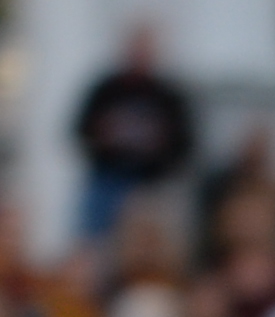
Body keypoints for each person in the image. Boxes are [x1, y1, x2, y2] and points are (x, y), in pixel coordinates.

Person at [69, 21, 200, 252]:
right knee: (92, 245)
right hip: (106, 180)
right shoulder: (106, 89)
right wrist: (103, 144)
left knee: (147, 248)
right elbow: (79, 130)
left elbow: (185, 143)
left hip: (150, 185)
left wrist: (160, 165)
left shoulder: (168, 96)